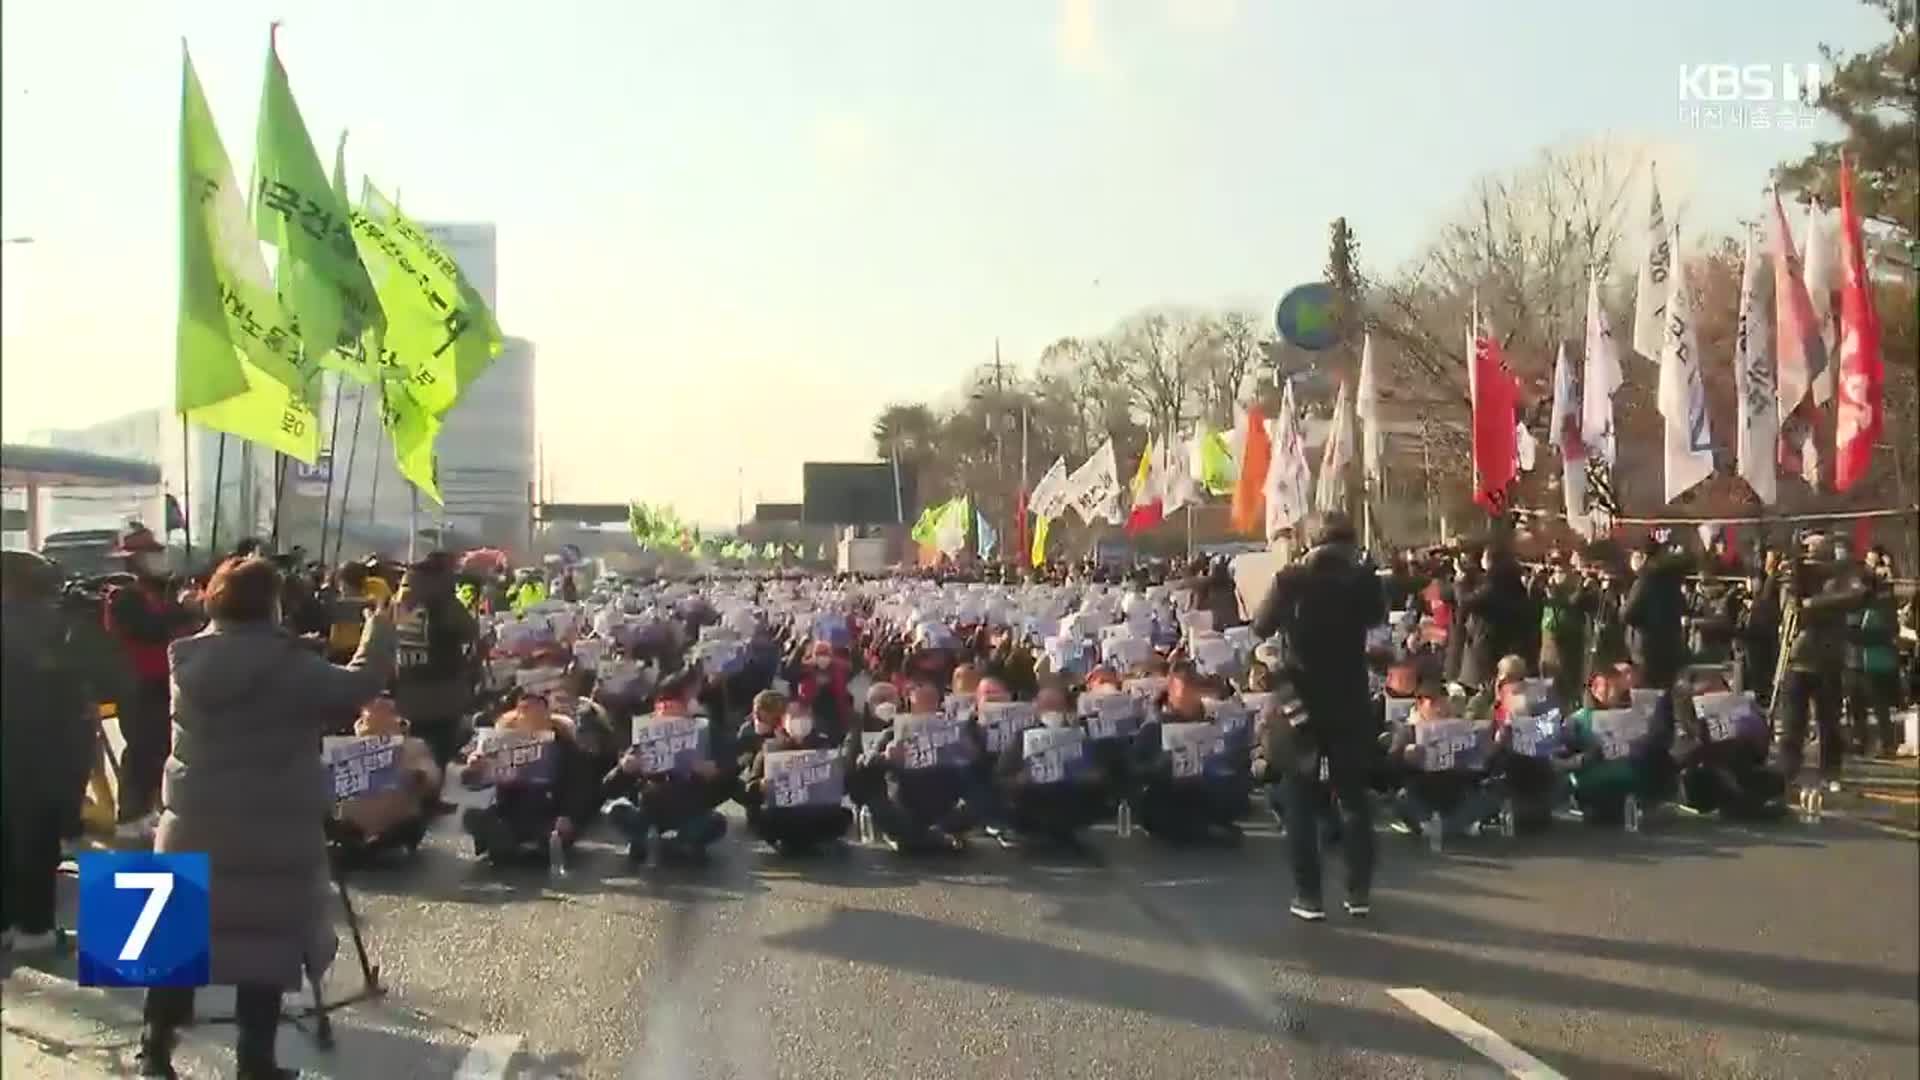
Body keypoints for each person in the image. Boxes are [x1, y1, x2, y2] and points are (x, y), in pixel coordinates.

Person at [137, 556, 394, 1080]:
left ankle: (153, 1053)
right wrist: (379, 627)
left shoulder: (184, 658)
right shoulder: (293, 665)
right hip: (275, 823)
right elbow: (360, 683)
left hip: (191, 818)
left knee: (169, 937)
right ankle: (256, 1063)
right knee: (265, 942)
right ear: (273, 604)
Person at [1250, 514, 1382, 921]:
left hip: (1301, 701)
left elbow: (1260, 626)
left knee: (1301, 799)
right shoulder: (1363, 580)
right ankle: (1358, 893)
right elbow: (1377, 620)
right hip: (1350, 697)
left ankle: (1308, 896)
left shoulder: (1292, 579)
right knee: (1355, 798)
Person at [1, 552, 100, 954]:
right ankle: (35, 929)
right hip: (46, 749)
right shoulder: (63, 626)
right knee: (38, 840)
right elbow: (100, 681)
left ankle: (5, 924)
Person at [103, 524, 197, 832]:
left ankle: (150, 810)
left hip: (163, 682)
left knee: (160, 747)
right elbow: (148, 630)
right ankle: (131, 816)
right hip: (137, 684)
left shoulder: (159, 591)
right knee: (142, 748)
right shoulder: (125, 598)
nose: (158, 558)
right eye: (151, 553)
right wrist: (183, 611)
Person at [601, 668, 733, 864]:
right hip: (648, 807)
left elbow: (730, 774)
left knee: (716, 822)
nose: (669, 710)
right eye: (663, 704)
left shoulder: (705, 730)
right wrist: (624, 768)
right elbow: (608, 787)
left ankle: (672, 844)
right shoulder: (646, 734)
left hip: (690, 808)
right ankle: (652, 841)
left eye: (676, 703)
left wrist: (714, 772)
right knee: (615, 810)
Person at [457, 692, 595, 866]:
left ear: (548, 716)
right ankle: (507, 845)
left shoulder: (565, 747)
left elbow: (581, 788)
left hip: (549, 811)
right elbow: (471, 783)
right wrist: (475, 768)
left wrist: (569, 816)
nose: (531, 716)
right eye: (526, 710)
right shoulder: (500, 742)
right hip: (509, 811)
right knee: (472, 816)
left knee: (553, 834)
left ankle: (532, 847)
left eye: (538, 711)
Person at [1777, 538, 1868, 795]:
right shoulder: (1795, 577)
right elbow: (1792, 608)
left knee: (1829, 723)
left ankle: (1830, 771)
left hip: (1828, 659)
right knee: (1793, 722)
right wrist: (1799, 592)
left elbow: (1856, 594)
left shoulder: (1839, 577)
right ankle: (1788, 769)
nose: (1811, 560)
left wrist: (1814, 603)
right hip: (1798, 656)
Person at [1128, 662, 1247, 847]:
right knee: (1162, 813)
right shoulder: (1153, 727)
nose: (1191, 695)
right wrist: (1157, 766)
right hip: (1167, 794)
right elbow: (1134, 771)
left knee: (1235, 791)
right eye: (1185, 689)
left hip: (1204, 787)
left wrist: (1227, 755)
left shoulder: (1213, 721)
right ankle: (1202, 831)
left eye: (1195, 688)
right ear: (1172, 691)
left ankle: (1206, 827)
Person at [391, 553, 479, 775]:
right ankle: (433, 795)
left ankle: (413, 797)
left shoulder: (399, 598)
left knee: (410, 752)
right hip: (441, 691)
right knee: (439, 750)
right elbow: (469, 630)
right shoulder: (443, 600)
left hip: (405, 688)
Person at [326, 695, 440, 863]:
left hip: (398, 818)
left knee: (406, 826)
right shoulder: (347, 747)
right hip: (353, 822)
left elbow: (430, 773)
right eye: (374, 710)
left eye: (386, 711)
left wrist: (419, 776)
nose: (380, 715)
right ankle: (358, 844)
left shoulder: (413, 745)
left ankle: (373, 845)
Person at [993, 679, 1103, 851]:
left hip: (1070, 796)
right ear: (1037, 709)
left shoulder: (1081, 735)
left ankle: (1065, 830)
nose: (1052, 712)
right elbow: (1001, 776)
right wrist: (1018, 779)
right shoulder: (1022, 736)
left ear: (1066, 709)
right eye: (1047, 706)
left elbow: (1099, 770)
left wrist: (1094, 775)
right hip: (1032, 799)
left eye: (1056, 707)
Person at [738, 697, 854, 854]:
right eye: (793, 717)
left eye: (803, 716)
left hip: (816, 813)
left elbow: (844, 787)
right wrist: (761, 785)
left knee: (843, 817)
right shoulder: (770, 749)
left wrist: (838, 773)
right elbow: (749, 791)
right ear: (784, 720)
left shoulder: (825, 746)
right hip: (784, 814)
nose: (799, 721)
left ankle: (813, 839)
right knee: (764, 820)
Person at [1844, 560, 1902, 758]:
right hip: (1853, 662)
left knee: (1880, 706)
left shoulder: (1881, 604)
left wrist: (1855, 635)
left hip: (1873, 663)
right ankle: (1860, 741)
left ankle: (1887, 744)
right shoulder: (1849, 605)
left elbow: (1888, 632)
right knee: (1856, 707)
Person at [1624, 537, 1689, 692]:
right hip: (1670, 648)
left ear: (1644, 557)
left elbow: (1628, 614)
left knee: (1649, 697)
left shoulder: (1644, 581)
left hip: (1646, 650)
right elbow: (1682, 607)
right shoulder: (1672, 580)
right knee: (1666, 694)